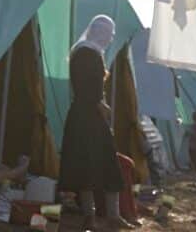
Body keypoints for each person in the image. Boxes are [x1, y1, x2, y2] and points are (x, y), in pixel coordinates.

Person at [59, 15, 137, 231]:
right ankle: (99, 216)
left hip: (83, 115)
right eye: (108, 34)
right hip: (89, 116)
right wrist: (100, 104)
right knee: (102, 163)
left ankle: (100, 216)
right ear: (99, 32)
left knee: (91, 165)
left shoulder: (84, 52)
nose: (110, 39)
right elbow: (88, 87)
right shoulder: (88, 53)